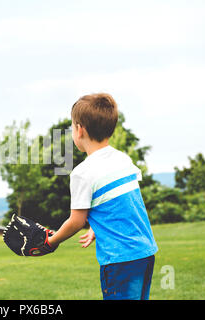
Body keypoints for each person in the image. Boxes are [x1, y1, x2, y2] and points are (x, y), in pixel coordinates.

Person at [47, 93, 158, 300]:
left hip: (119, 259)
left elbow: (76, 221)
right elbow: (122, 202)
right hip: (145, 252)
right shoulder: (122, 159)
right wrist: (96, 227)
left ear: (79, 130)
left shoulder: (82, 173)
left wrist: (53, 241)